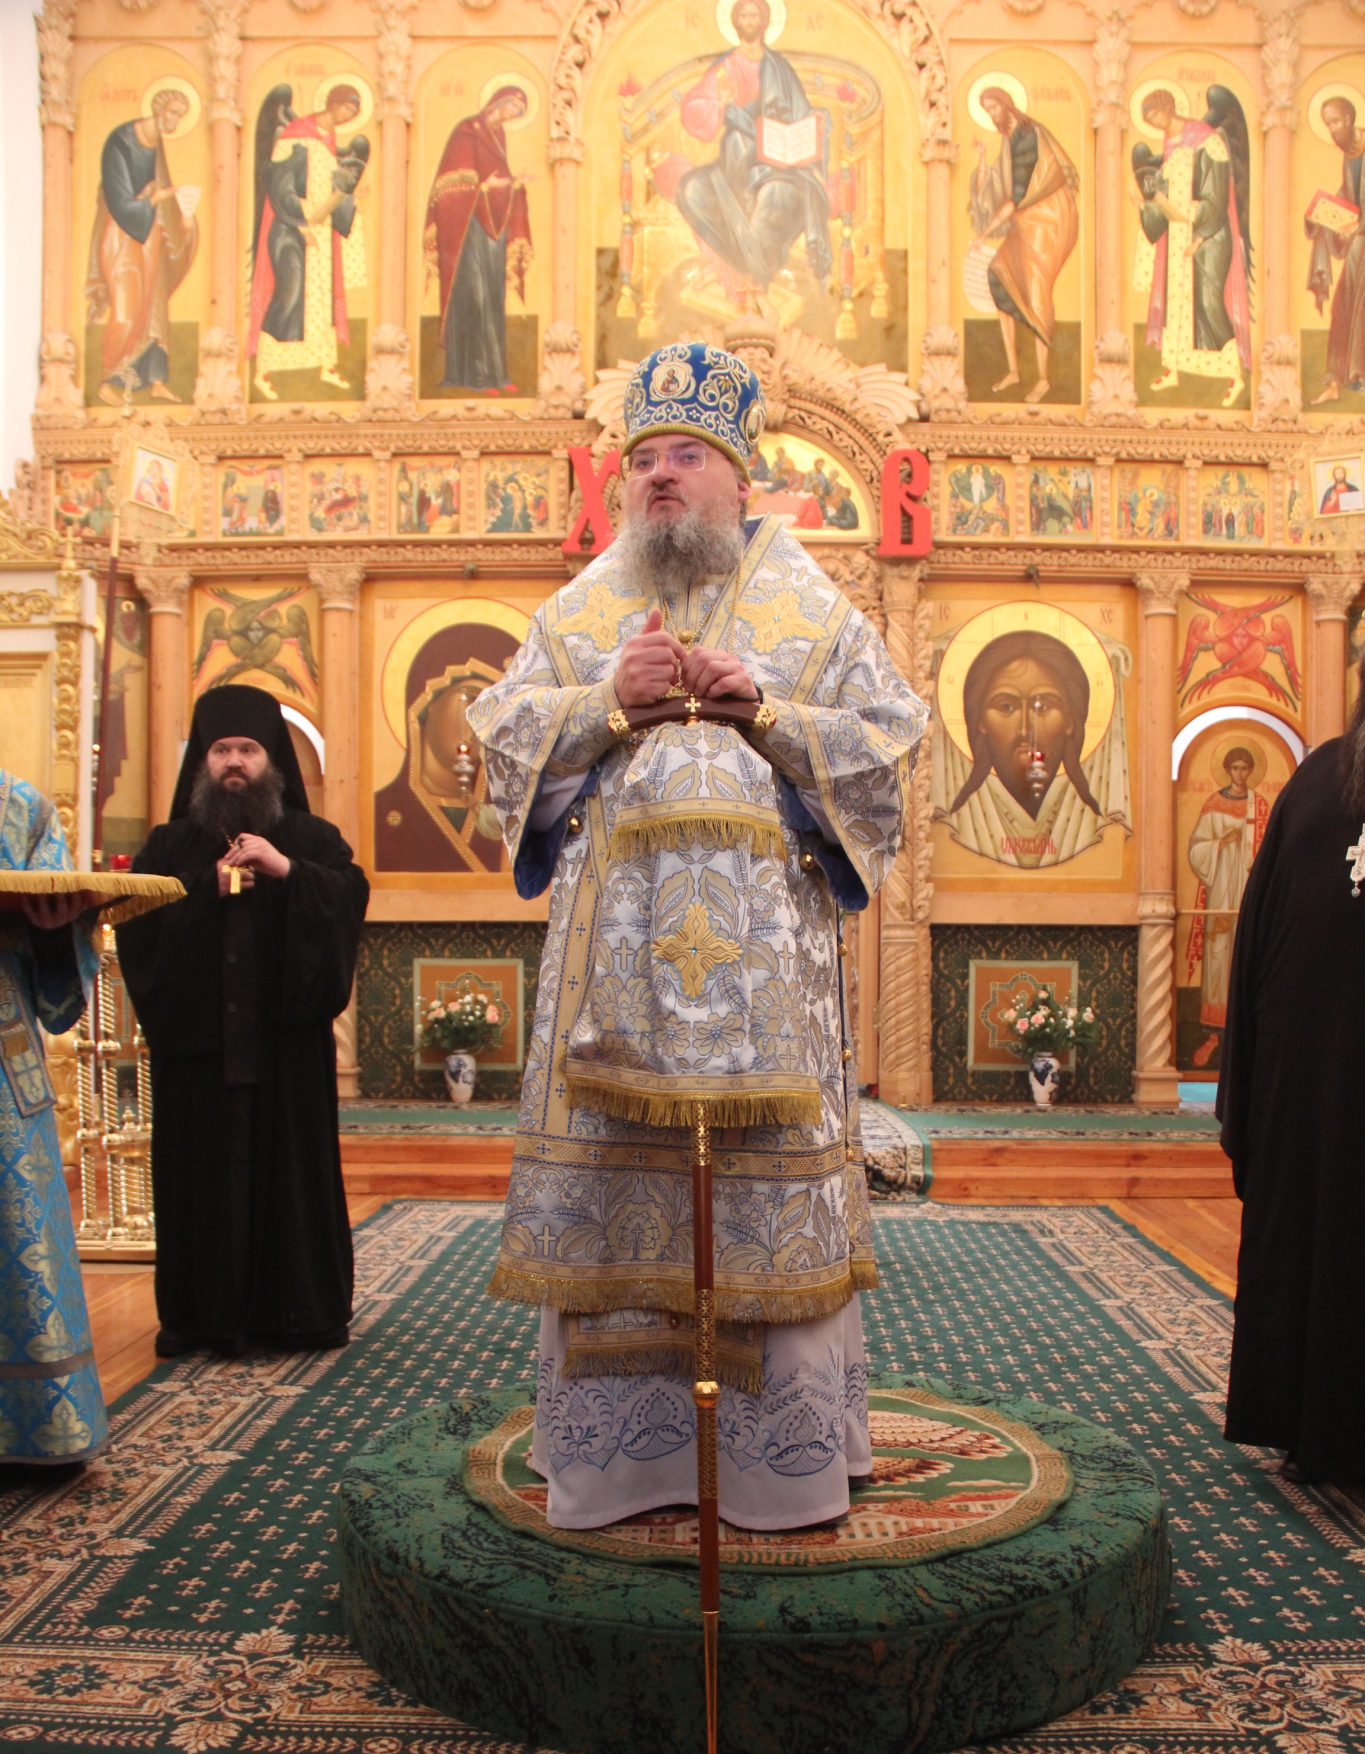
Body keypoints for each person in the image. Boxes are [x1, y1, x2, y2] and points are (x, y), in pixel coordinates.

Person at [467, 341, 927, 1532]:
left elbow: (889, 746)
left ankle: (783, 1469)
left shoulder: (808, 606)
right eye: (645, 460)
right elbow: (500, 740)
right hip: (608, 1022)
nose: (661, 476)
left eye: (687, 456)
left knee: (763, 1232)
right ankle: (623, 1467)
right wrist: (600, 702)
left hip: (771, 1019)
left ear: (738, 478)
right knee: (620, 1221)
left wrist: (766, 710)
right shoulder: (584, 609)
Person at [116, 685, 369, 1357]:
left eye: (248, 750)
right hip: (198, 1057)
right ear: (201, 761)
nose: (235, 762)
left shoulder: (312, 840)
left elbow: (347, 899)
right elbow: (138, 930)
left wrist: (287, 871)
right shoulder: (168, 848)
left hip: (285, 1054)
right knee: (202, 1183)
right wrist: (209, 887)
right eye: (221, 750)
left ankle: (299, 1316)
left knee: (290, 1181)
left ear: (271, 760)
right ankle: (202, 1320)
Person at [1218, 656, 1365, 1486]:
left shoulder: (1313, 782)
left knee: (1314, 1230)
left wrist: (1252, 1087)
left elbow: (1255, 950)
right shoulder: (1316, 783)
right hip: (1314, 1078)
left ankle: (1306, 1424)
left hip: (1302, 1085)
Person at [0, 772, 109, 1465]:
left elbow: (61, 961)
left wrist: (51, 933)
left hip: (1, 1063)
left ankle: (31, 1424)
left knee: (15, 1232)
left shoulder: (23, 810)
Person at [932, 628, 1132, 870]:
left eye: (1043, 706)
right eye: (1006, 706)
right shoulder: (964, 818)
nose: (1026, 730)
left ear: (1071, 720)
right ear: (980, 721)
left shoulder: (1085, 820)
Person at [673, 0, 832, 299]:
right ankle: (745, 269)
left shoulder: (779, 68)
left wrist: (814, 124)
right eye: (743, 15)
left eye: (754, 15)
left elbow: (801, 113)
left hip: (778, 162)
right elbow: (694, 108)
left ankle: (755, 273)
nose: (749, 21)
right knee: (692, 189)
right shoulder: (727, 66)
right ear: (735, 22)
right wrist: (719, 103)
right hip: (736, 161)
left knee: (777, 196)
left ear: (764, 21)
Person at [247, 83, 368, 401]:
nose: (347, 116)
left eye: (353, 113)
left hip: (321, 236)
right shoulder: (297, 134)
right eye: (346, 108)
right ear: (333, 103)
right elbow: (280, 185)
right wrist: (301, 227)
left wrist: (349, 197)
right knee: (288, 294)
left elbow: (329, 190)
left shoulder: (330, 141)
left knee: (321, 302)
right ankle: (263, 372)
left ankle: (325, 365)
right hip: (290, 230)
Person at [1133, 87, 1252, 408]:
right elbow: (1168, 191)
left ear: (1168, 107)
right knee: (1176, 302)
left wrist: (1198, 238)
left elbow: (1216, 196)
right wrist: (1148, 204)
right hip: (1177, 236)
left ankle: (1235, 377)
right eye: (1149, 119)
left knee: (1209, 302)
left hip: (1208, 236)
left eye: (1155, 114)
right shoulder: (1170, 144)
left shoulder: (1207, 140)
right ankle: (1173, 369)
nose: (1155, 122)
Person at [85, 88, 198, 406]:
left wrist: (183, 218)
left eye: (180, 116)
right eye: (172, 113)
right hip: (121, 234)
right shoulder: (120, 142)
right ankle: (107, 380)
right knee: (126, 310)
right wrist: (154, 199)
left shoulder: (157, 144)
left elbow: (162, 190)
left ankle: (156, 381)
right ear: (158, 109)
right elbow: (118, 201)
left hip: (151, 233)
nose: (174, 122)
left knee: (154, 304)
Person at [968, 86, 1079, 403]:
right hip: (1025, 219)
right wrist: (982, 157)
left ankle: (1043, 378)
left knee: (1036, 290)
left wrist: (986, 233)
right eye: (987, 110)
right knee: (998, 275)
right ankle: (1014, 371)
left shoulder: (1028, 137)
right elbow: (998, 186)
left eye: (994, 107)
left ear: (1007, 105)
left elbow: (1016, 196)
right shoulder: (1010, 140)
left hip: (1048, 219)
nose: (992, 114)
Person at [425, 86, 532, 393]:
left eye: (519, 113)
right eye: (513, 108)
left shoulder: (499, 136)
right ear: (500, 101)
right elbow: (448, 185)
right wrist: (485, 186)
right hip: (466, 230)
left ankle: (497, 375)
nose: (513, 115)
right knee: (474, 297)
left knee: (493, 298)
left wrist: (513, 185)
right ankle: (473, 376)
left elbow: (497, 182)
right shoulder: (467, 131)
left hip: (492, 231)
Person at [1185, 745, 1269, 1070]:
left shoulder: (1259, 806)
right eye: (1234, 768)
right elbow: (1196, 847)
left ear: (1251, 771)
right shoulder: (1213, 804)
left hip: (1249, 889)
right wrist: (1221, 843)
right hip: (1220, 890)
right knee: (1219, 954)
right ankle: (1213, 1034)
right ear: (1227, 770)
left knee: (1248, 951)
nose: (1240, 774)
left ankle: (1247, 1031)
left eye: (1245, 768)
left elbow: (1271, 848)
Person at [1306, 95, 1365, 404]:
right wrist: (1324, 211)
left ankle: (1358, 375)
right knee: (1343, 304)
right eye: (1327, 124)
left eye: (1335, 122)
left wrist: (1359, 226)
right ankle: (1335, 380)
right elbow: (1350, 194)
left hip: (1362, 240)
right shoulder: (1349, 154)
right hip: (1359, 244)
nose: (1332, 129)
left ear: (1349, 120)